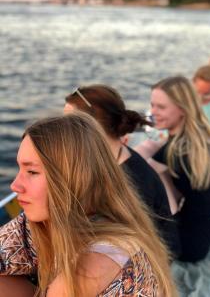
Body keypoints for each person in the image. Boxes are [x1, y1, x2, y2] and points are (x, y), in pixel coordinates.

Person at [1, 112, 177, 297]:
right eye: (20, 168)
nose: (15, 185)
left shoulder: (94, 264)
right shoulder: (52, 220)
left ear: (73, 178)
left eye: (31, 172)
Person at [64, 84, 180, 256]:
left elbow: (132, 248)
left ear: (93, 129)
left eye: (68, 124)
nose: (60, 131)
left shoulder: (134, 184)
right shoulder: (110, 156)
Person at [139, 75, 210, 263]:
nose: (153, 112)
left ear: (182, 109)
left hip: (185, 246)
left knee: (147, 185)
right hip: (204, 234)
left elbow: (136, 182)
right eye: (152, 105)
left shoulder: (173, 152)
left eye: (161, 107)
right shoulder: (202, 141)